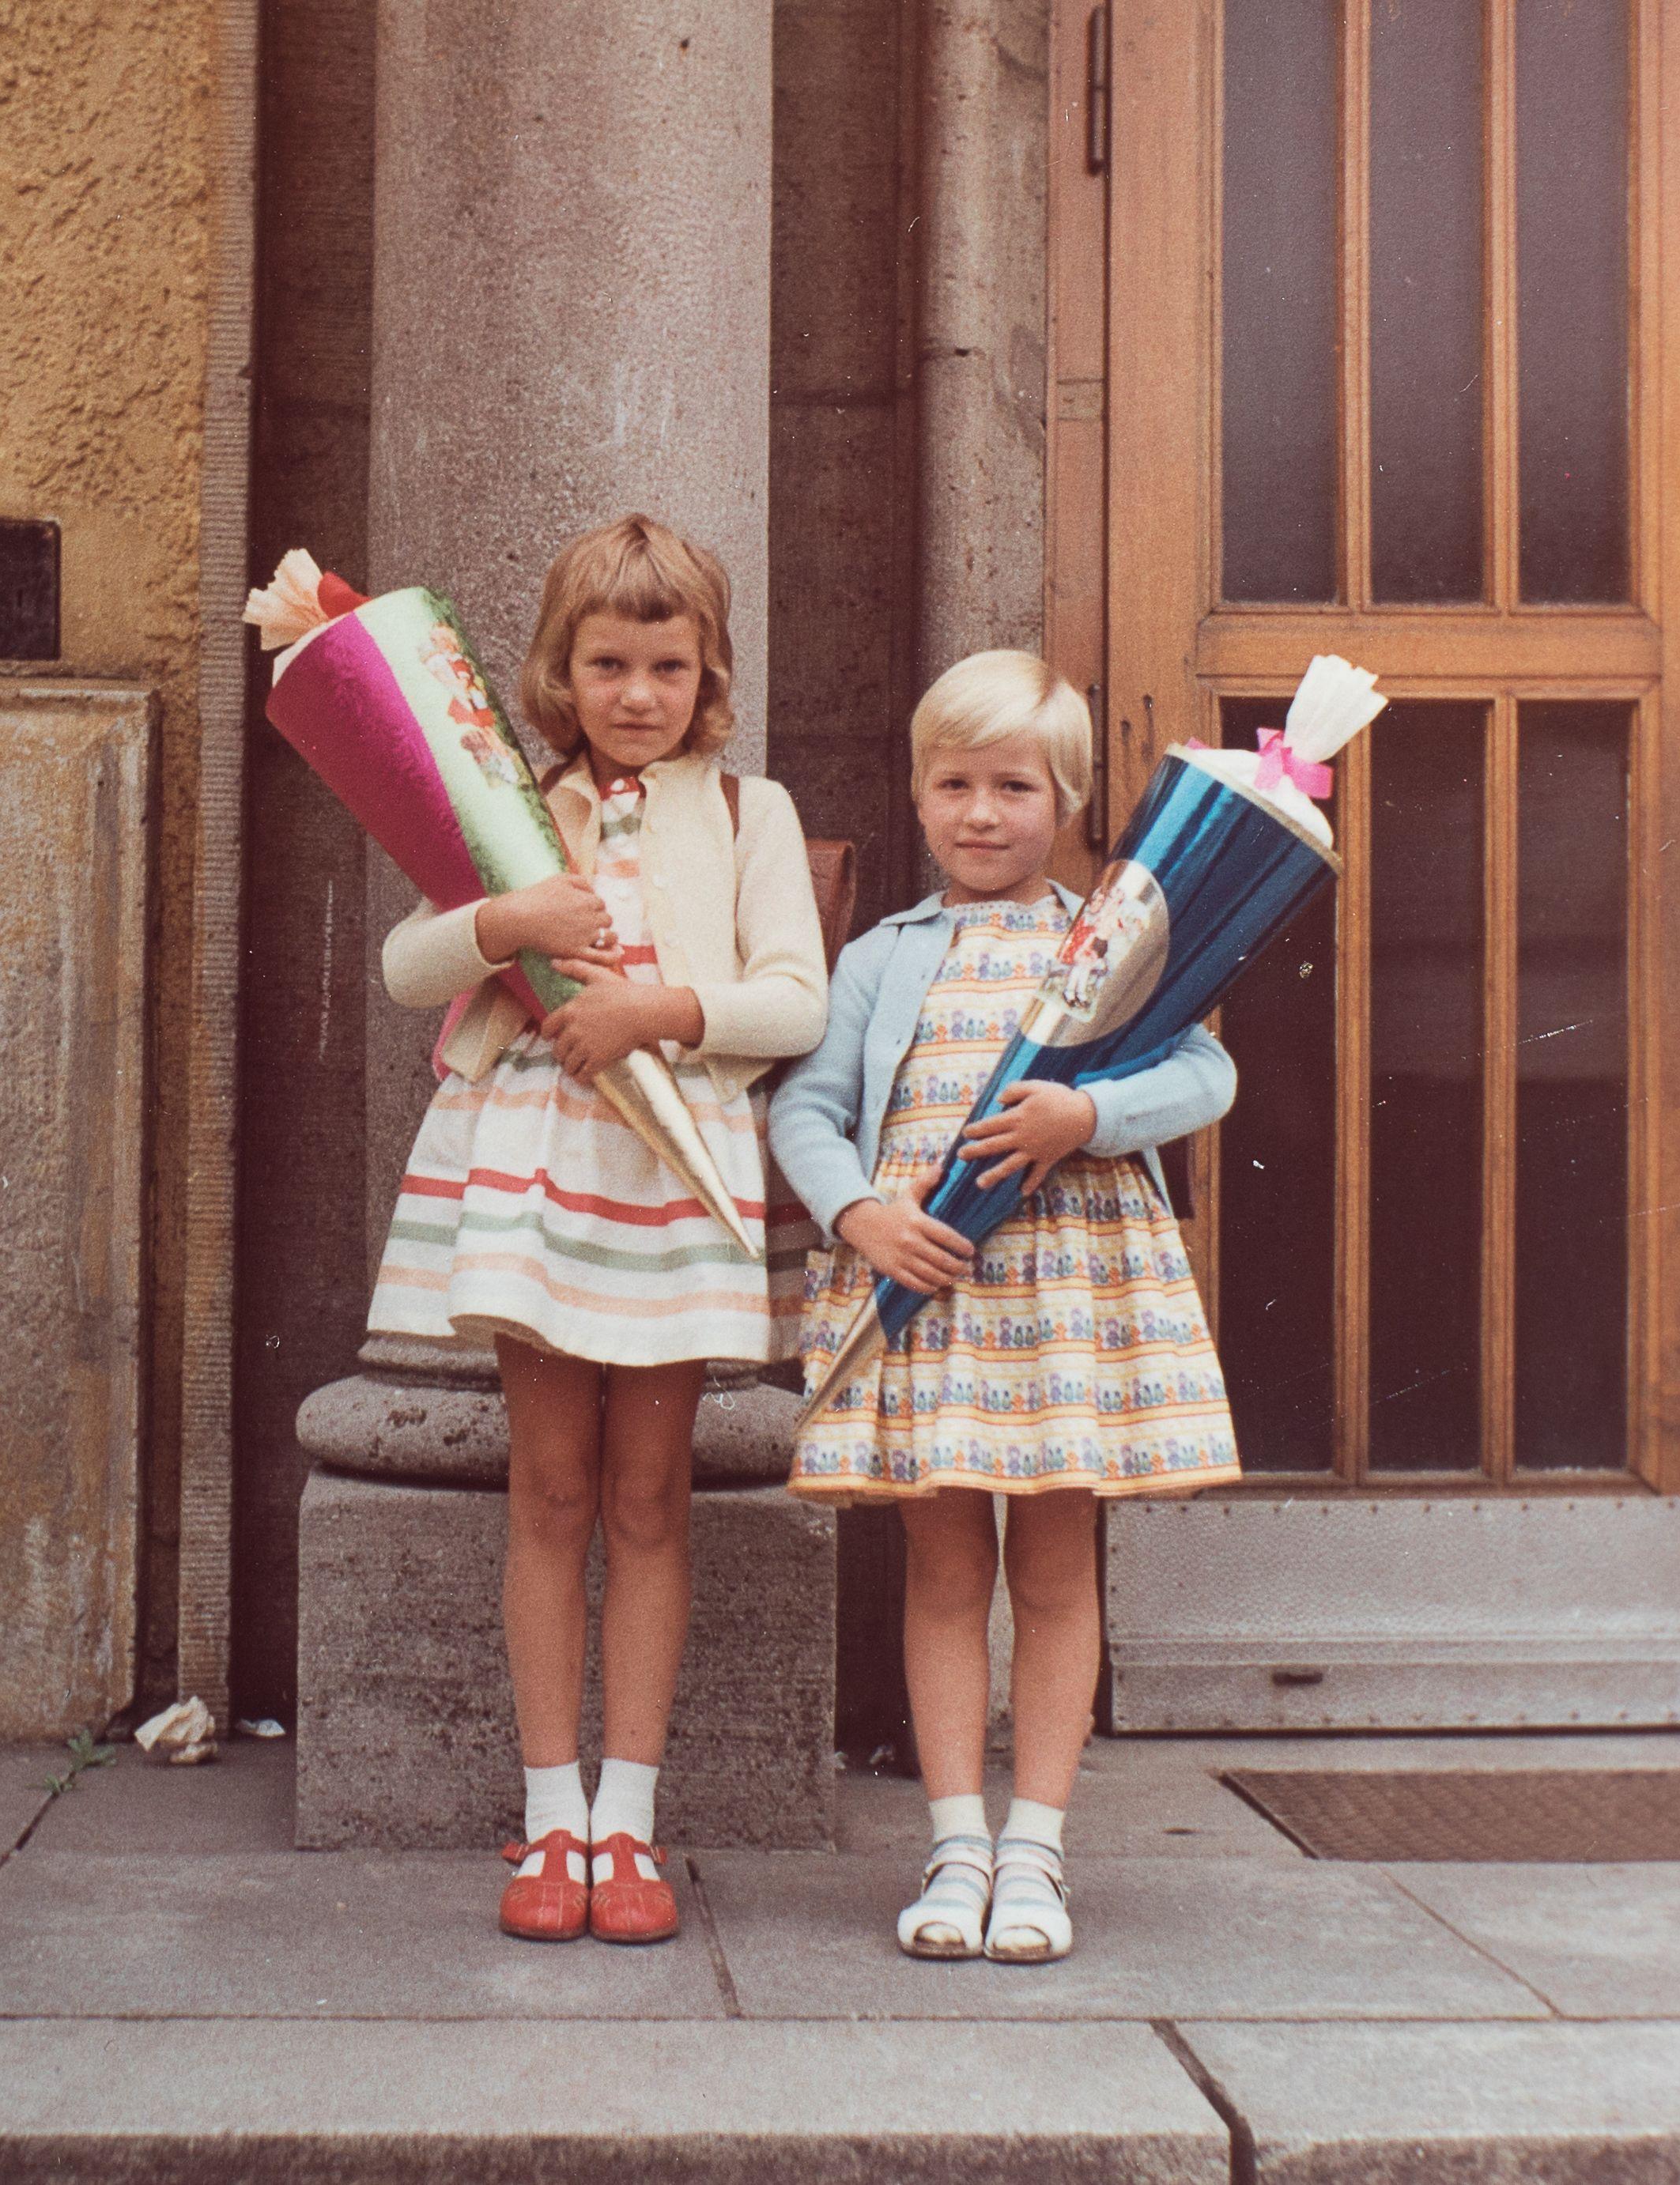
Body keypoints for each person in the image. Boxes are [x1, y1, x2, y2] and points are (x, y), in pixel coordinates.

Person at [368, 514, 827, 1945]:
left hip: (674, 1169)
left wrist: (663, 1010)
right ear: (562, 672)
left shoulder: (751, 817)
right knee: (549, 1491)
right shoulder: (513, 805)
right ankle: (549, 1815)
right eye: (609, 663)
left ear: (711, 674)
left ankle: (629, 1823)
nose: (638, 693)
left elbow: (795, 1000)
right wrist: (508, 916)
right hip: (537, 1169)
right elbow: (405, 967)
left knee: (651, 1498)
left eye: (668, 666)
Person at [769, 651, 1240, 1964]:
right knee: (941, 1571)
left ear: (1070, 799)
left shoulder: (1113, 942)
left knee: (1051, 1567)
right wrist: (859, 1215)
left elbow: (1205, 1075)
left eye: (1014, 786)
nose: (983, 813)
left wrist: (1089, 1112)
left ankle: (1036, 1849)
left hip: (1067, 1288)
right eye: (955, 783)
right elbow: (806, 1110)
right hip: (931, 1291)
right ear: (919, 798)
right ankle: (953, 1842)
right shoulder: (880, 956)